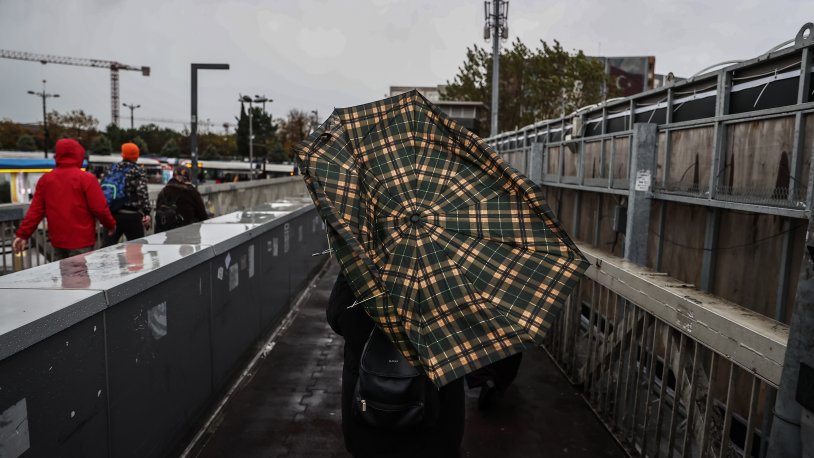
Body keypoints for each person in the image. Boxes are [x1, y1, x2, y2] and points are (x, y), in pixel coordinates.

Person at [328, 273, 465, 458]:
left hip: (371, 401)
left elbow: (338, 314)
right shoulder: (448, 261)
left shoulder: (362, 257)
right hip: (436, 404)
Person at [12, 138, 116, 260]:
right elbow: (99, 208)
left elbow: (35, 211)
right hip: (82, 240)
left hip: (58, 241)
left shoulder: (46, 180)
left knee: (63, 276)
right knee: (80, 277)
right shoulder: (87, 179)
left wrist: (23, 235)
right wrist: (111, 225)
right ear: (78, 155)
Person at [103, 142, 152, 246]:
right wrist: (147, 212)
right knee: (136, 250)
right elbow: (142, 193)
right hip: (131, 216)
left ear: (123, 154)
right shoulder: (137, 170)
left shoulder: (112, 168)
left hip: (112, 215)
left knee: (106, 249)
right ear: (137, 156)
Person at [153, 165, 209, 233]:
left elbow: (159, 211)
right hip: (190, 235)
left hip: (169, 235)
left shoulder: (163, 192)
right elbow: (203, 216)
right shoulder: (192, 192)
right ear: (188, 177)